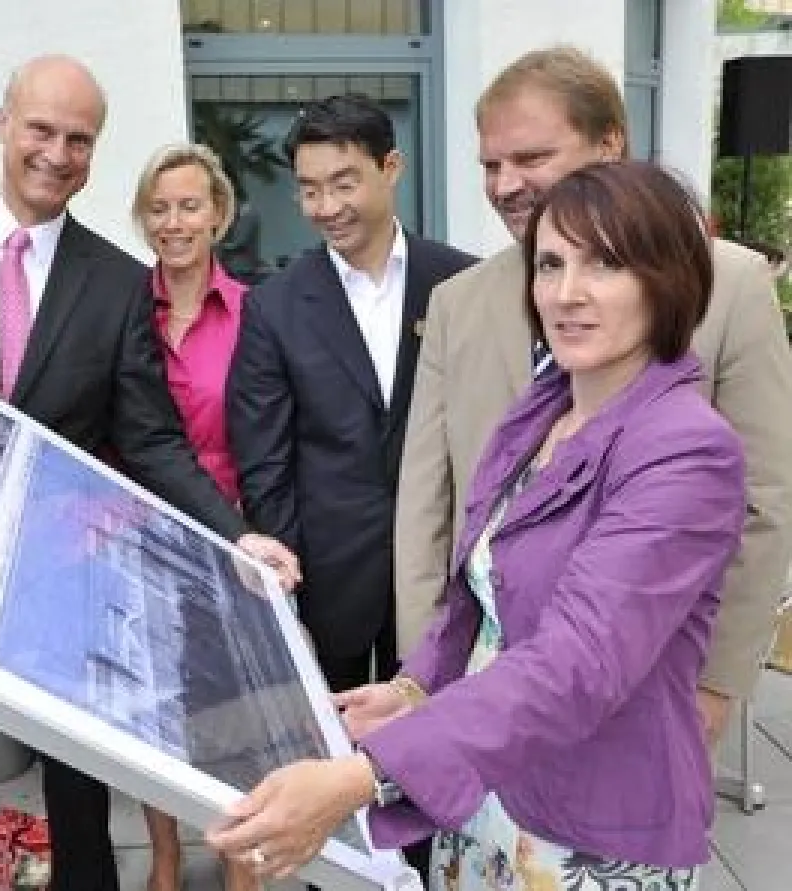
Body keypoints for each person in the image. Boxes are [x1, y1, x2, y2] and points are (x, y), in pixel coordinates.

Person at [208, 159, 748, 890]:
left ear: (668, 279)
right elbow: (480, 596)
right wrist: (413, 689)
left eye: (606, 263)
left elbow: (577, 662)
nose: (567, 293)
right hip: (485, 790)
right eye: (550, 263)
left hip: (587, 824)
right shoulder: (543, 408)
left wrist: (366, 775)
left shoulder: (685, 449)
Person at [0, 55, 299, 891]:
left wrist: (238, 536)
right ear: (3, 123)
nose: (57, 154)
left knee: (81, 804)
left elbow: (151, 437)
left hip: (63, 587)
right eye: (41, 129)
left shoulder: (120, 282)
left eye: (79, 140)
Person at [395, 46, 792, 748]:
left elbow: (764, 503)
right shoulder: (457, 303)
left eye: (530, 158)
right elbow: (429, 502)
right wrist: (420, 678)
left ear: (609, 144)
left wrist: (714, 684)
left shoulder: (731, 284)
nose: (505, 185)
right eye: (490, 165)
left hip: (640, 705)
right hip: (476, 698)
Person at [227, 94, 474, 695]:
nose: (327, 207)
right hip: (328, 578)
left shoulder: (461, 283)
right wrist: (291, 583)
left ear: (391, 168)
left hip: (444, 571)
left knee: (434, 730)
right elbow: (265, 461)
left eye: (344, 184)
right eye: (310, 190)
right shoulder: (274, 306)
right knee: (332, 734)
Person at [130, 141, 257, 891]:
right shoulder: (122, 307)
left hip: (229, 533)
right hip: (139, 529)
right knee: (153, 709)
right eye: (158, 208)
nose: (173, 222)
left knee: (233, 705)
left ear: (217, 215)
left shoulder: (252, 313)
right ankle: (166, 856)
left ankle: (240, 857)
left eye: (188, 206)